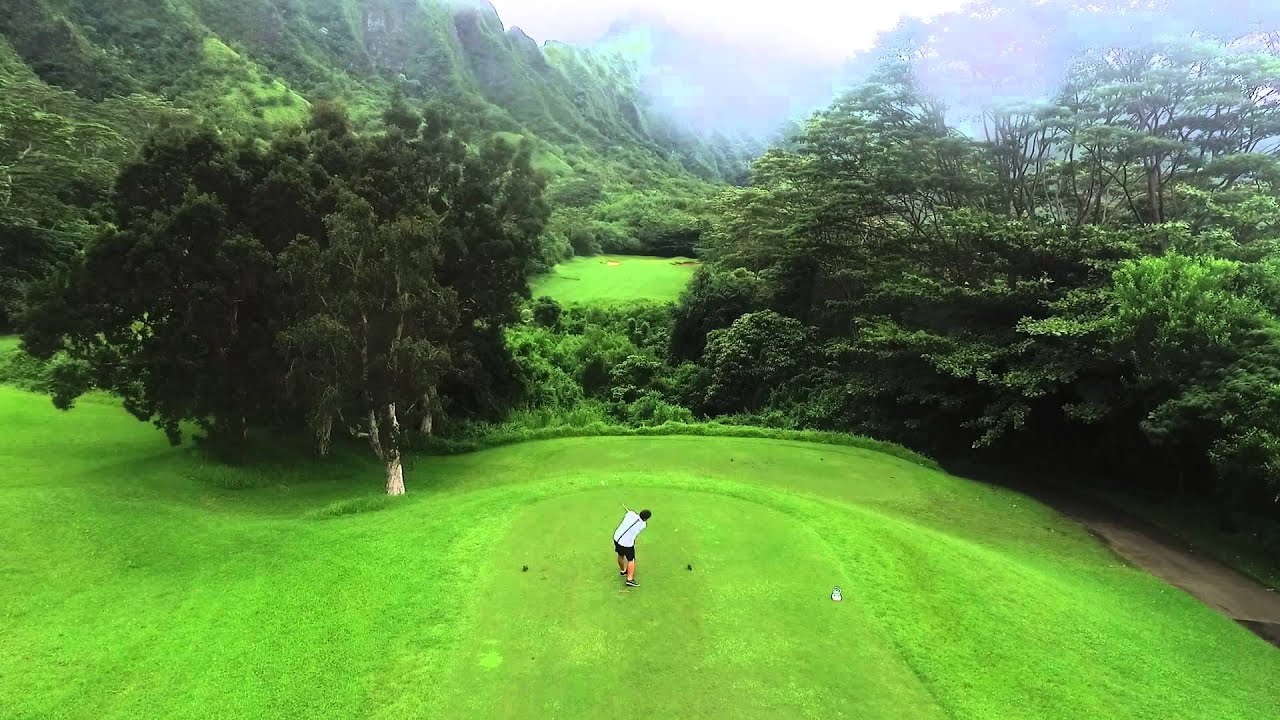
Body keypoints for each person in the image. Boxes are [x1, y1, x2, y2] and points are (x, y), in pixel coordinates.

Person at [613, 506, 651, 588]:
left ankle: (623, 571)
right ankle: (629, 580)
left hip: (616, 538)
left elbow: (630, 513)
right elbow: (641, 521)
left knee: (620, 555)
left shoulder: (630, 514)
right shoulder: (643, 524)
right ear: (646, 518)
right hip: (627, 544)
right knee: (631, 559)